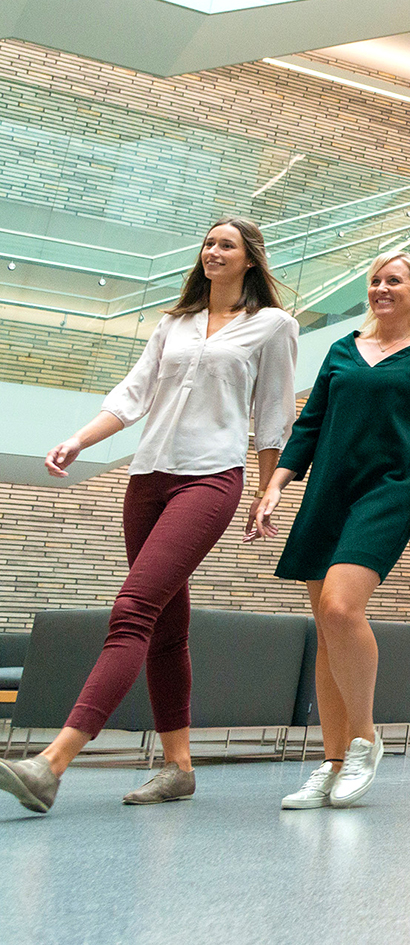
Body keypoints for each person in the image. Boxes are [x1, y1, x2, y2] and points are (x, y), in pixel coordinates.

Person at [0, 218, 297, 815]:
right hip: (147, 478)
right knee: (165, 625)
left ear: (249, 259)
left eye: (225, 245)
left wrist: (269, 491)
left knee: (132, 610)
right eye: (208, 243)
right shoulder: (174, 323)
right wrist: (79, 439)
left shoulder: (273, 327)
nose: (212, 251)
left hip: (211, 479)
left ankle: (51, 763)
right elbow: (134, 393)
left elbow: (273, 414)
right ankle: (180, 768)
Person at [257, 249, 410, 810]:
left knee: (343, 608)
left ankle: (366, 738)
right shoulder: (342, 349)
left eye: (392, 280)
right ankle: (332, 760)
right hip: (329, 491)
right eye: (375, 280)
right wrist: (275, 485)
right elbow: (311, 423)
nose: (380, 288)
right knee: (326, 625)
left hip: (390, 491)